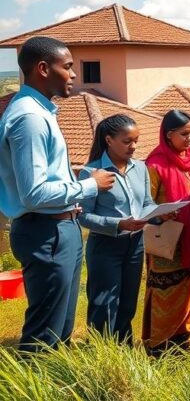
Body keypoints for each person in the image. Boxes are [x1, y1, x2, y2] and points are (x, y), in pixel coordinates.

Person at [0, 36, 116, 352]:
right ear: (42, 69)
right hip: (45, 231)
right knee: (44, 336)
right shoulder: (30, 119)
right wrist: (91, 185)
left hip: (58, 227)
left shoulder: (40, 112)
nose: (74, 75)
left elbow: (44, 178)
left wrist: (74, 183)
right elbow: (35, 193)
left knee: (60, 326)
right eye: (67, 67)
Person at [78, 114, 155, 342]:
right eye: (127, 141)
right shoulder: (91, 174)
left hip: (135, 244)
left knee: (128, 302)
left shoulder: (140, 168)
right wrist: (117, 224)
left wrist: (160, 213)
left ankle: (124, 351)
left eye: (136, 141)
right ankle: (102, 355)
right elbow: (83, 217)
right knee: (104, 304)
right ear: (109, 140)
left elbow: (147, 203)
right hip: (105, 245)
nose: (133, 146)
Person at [144, 109, 190, 354]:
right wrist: (160, 213)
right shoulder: (155, 163)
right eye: (185, 134)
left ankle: (186, 341)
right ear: (169, 135)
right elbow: (145, 205)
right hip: (168, 241)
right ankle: (160, 345)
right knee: (167, 294)